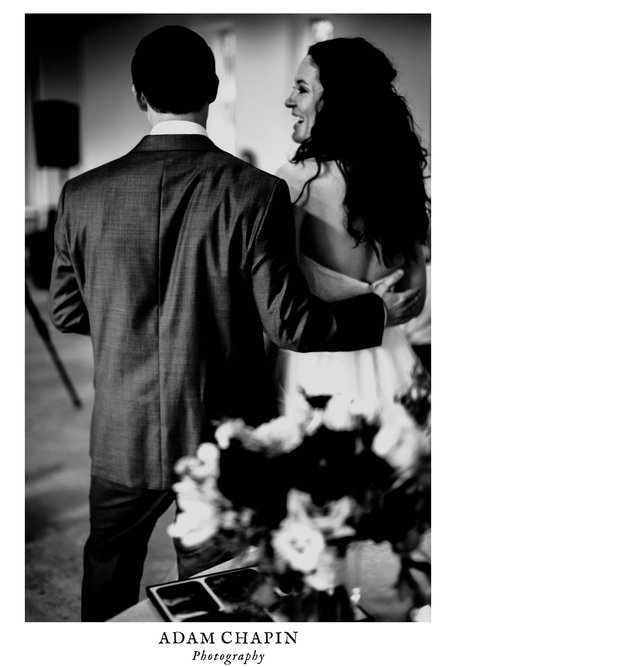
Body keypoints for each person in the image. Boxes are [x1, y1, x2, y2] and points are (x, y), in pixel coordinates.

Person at [50, 26, 424, 621]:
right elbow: (290, 323)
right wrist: (377, 311)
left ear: (137, 94)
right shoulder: (256, 192)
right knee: (215, 593)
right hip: (220, 432)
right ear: (214, 88)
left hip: (122, 431)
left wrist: (130, 315)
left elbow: (67, 310)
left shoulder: (80, 194)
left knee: (107, 576)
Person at [275, 37, 431, 420]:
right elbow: (413, 297)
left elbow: (282, 308)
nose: (289, 101)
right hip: (395, 366)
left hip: (321, 375)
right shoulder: (399, 181)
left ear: (336, 102)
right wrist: (378, 306)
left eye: (302, 89)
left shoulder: (292, 185)